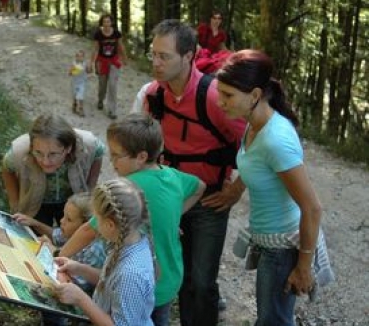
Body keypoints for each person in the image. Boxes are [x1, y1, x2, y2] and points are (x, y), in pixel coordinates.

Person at [132, 20, 246, 326]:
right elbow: (140, 150)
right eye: (153, 54)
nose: (155, 62)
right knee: (173, 274)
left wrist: (235, 190)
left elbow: (253, 146)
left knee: (202, 282)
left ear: (188, 56)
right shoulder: (154, 96)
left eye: (164, 56)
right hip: (170, 197)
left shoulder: (214, 98)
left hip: (209, 200)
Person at [215, 49, 334, 325]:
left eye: (228, 95)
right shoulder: (254, 124)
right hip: (270, 241)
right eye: (220, 93)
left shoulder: (275, 139)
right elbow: (258, 165)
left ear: (255, 95)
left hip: (283, 248)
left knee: (273, 321)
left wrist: (303, 267)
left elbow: (313, 208)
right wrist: (235, 190)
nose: (220, 102)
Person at [59, 113, 206, 326]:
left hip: (146, 284)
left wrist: (57, 256)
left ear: (141, 157)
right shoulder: (171, 175)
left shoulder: (129, 189)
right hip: (169, 276)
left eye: (117, 155)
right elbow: (199, 186)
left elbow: (87, 231)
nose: (112, 161)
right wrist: (173, 218)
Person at [54, 178, 156, 326]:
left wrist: (81, 299)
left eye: (96, 218)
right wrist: (79, 268)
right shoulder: (129, 241)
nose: (93, 223)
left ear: (109, 225)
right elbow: (110, 283)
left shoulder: (130, 274)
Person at [1, 113, 105, 231]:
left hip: (71, 197)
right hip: (37, 201)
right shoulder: (18, 151)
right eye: (38, 153)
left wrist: (91, 188)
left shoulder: (87, 143)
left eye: (53, 154)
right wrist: (14, 203)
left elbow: (98, 152)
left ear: (68, 148)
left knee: (73, 236)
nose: (45, 161)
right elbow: (7, 168)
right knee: (34, 236)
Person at [13, 192, 106, 294]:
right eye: (63, 215)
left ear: (84, 225)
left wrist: (52, 252)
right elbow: (55, 235)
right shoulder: (69, 232)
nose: (61, 221)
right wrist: (35, 223)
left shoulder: (95, 250)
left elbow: (78, 285)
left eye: (69, 219)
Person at [91, 14, 128, 120]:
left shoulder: (116, 33)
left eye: (108, 21)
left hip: (114, 61)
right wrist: (91, 62)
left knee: (112, 85)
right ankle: (100, 99)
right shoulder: (98, 34)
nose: (106, 24)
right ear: (102, 23)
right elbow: (95, 49)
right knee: (102, 84)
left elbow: (121, 46)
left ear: (111, 22)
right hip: (101, 62)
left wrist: (125, 58)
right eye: (104, 22)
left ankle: (112, 110)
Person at [68, 50, 91, 117]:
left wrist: (89, 67)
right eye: (78, 56)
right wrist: (73, 71)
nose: (79, 57)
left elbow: (89, 71)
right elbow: (69, 73)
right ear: (75, 57)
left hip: (82, 82)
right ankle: (74, 104)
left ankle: (81, 109)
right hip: (74, 82)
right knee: (75, 95)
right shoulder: (74, 64)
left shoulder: (85, 64)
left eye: (81, 56)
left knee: (80, 96)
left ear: (83, 57)